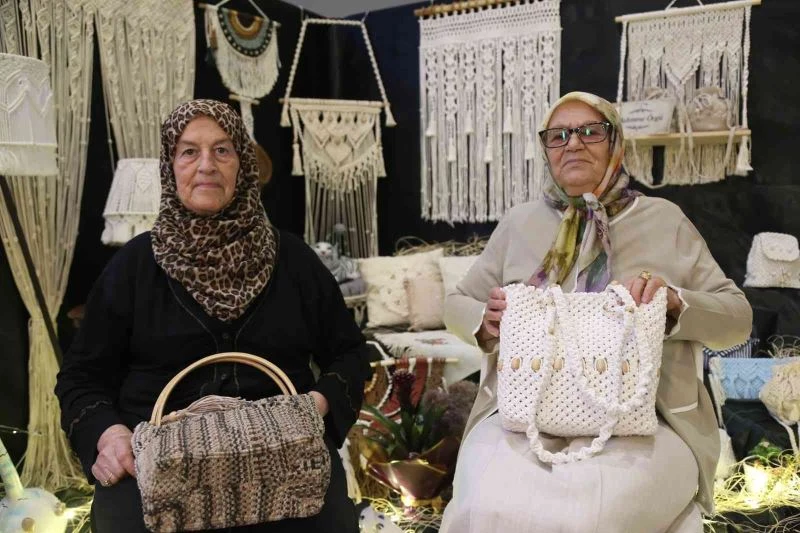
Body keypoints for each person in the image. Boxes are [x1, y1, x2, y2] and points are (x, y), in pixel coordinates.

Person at [440, 91, 752, 533]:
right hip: (523, 414)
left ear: (616, 143)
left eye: (590, 131)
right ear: (546, 149)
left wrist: (677, 303)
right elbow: (456, 302)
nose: (572, 143)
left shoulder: (664, 220)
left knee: (595, 517)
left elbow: (738, 318)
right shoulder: (519, 223)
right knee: (485, 506)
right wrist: (484, 322)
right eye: (558, 135)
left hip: (647, 420)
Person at [55, 99, 370, 532]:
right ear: (171, 167)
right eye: (189, 151)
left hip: (284, 458)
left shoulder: (293, 260)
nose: (207, 165)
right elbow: (81, 376)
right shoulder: (133, 267)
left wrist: (315, 408)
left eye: (222, 150)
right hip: (161, 462)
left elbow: (349, 353)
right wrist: (110, 436)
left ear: (243, 166)